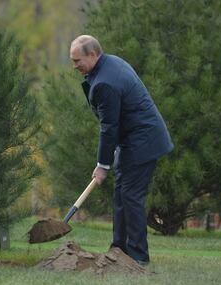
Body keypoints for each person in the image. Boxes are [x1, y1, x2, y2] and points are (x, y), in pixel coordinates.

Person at [69, 35, 174, 265]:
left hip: (144, 141)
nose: (75, 66)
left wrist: (102, 165)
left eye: (78, 61)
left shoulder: (105, 82)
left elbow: (108, 128)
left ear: (93, 55)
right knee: (120, 195)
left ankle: (137, 258)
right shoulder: (109, 63)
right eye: (72, 60)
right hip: (131, 141)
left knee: (131, 197)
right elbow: (114, 125)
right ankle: (119, 250)